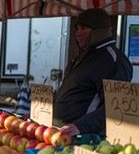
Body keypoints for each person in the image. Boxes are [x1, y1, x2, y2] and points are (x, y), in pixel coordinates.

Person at [53, 8, 133, 136]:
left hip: (84, 138)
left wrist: (80, 126)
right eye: (77, 28)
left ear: (99, 32)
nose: (78, 33)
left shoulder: (113, 60)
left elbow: (115, 106)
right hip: (61, 132)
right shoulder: (82, 57)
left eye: (84, 28)